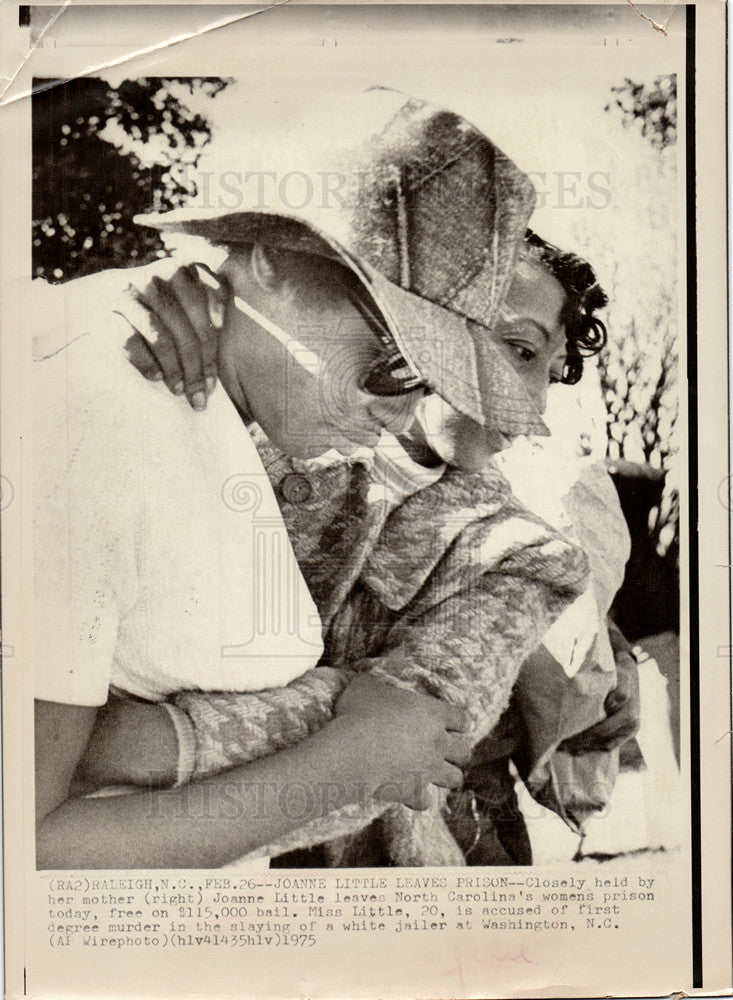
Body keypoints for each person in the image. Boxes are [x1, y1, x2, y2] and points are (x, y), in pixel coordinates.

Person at [35, 89, 623, 870]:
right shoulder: (179, 396)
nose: (412, 401)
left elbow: (421, 729)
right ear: (273, 260)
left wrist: (120, 737)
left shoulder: (520, 547)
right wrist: (95, 308)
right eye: (400, 355)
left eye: (436, 374)